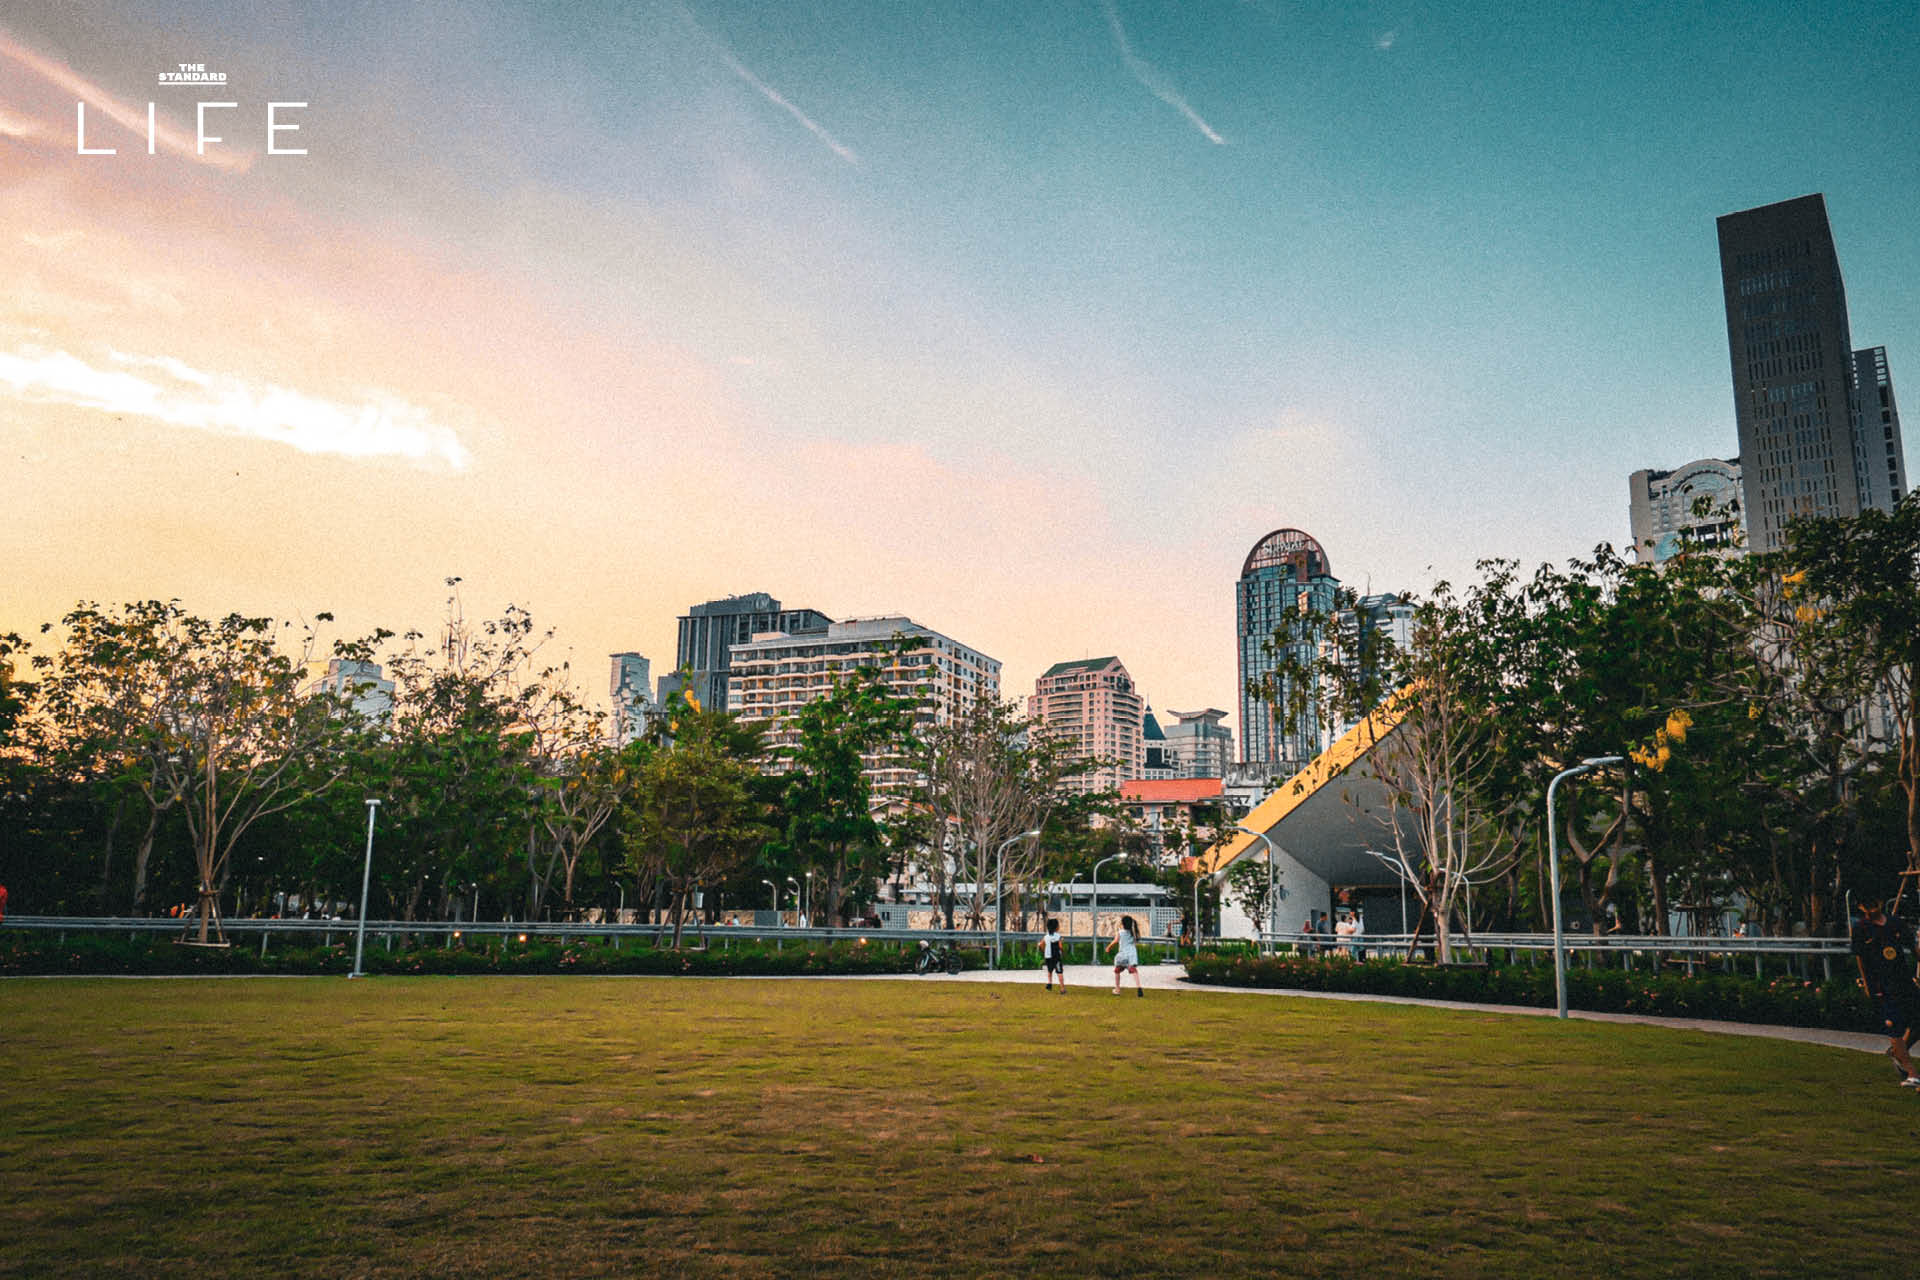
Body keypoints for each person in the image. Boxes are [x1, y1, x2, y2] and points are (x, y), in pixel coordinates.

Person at [1850, 896, 1920, 1087]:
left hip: (1904, 980)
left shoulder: (1897, 924)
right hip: (1881, 985)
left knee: (1917, 1021)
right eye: (1866, 904)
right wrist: (1867, 985)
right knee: (1894, 1026)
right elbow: (1860, 959)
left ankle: (1898, 1052)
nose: (1871, 907)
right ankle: (1911, 1073)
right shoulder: (1861, 929)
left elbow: (1914, 949)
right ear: (1860, 906)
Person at [1108, 914, 1143, 997]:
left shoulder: (1120, 932)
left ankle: (1117, 989)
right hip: (1131, 955)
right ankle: (1139, 987)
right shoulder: (1133, 933)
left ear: (1122, 924)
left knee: (1117, 970)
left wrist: (1108, 947)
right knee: (1133, 970)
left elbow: (1115, 941)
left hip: (1122, 955)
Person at [1043, 917, 1067, 993]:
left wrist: (1043, 950)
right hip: (1056, 957)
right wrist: (1063, 951)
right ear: (1056, 927)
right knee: (1059, 972)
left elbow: (1041, 944)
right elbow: (1060, 946)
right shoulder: (1057, 936)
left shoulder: (1046, 936)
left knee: (1049, 971)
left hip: (1048, 956)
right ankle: (1062, 988)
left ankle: (1049, 983)